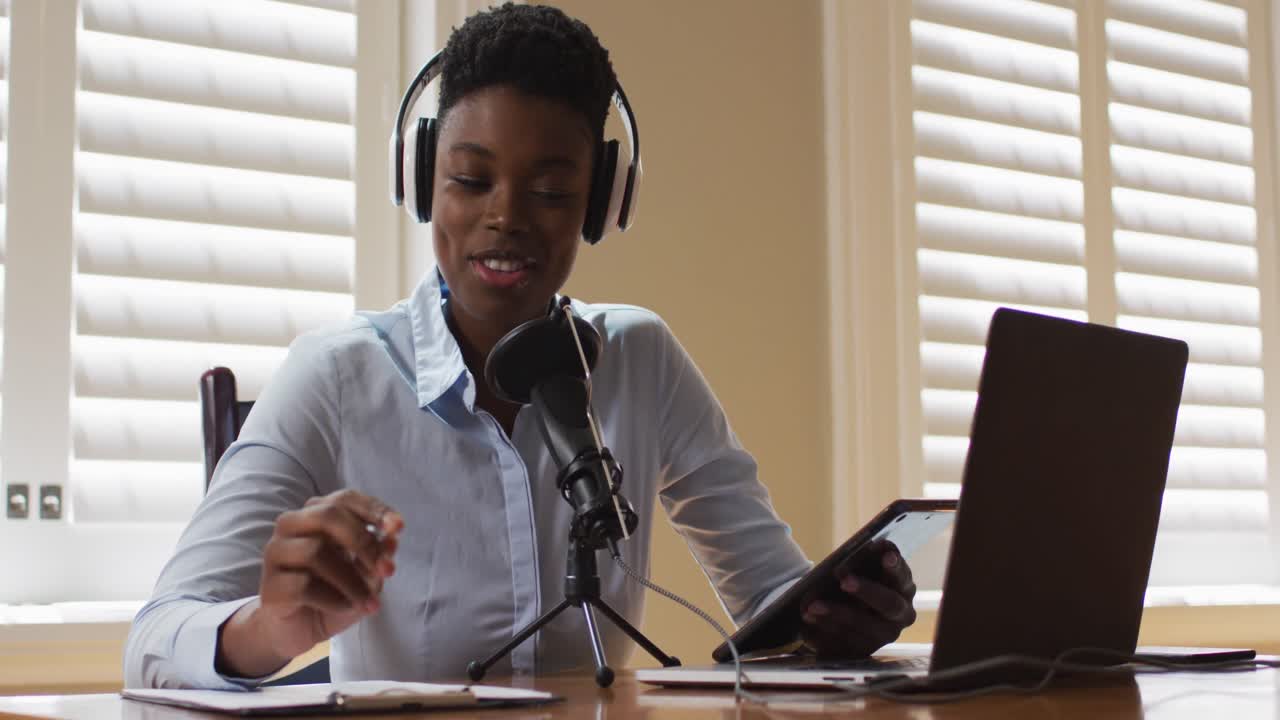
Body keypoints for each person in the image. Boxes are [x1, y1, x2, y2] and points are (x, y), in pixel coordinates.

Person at [124, 3, 917, 689]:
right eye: (471, 181)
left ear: (601, 202)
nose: (506, 217)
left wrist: (833, 624)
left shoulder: (640, 358)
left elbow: (773, 598)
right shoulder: (337, 376)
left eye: (550, 192)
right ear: (423, 178)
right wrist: (271, 630)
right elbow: (154, 643)